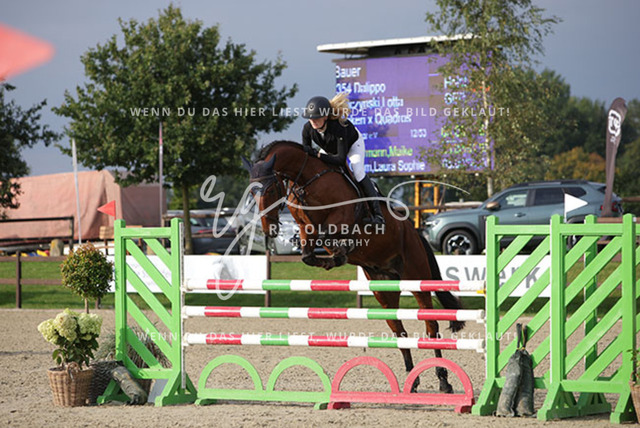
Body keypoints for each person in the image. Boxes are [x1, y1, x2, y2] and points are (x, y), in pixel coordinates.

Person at [301, 93, 385, 225]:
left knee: (357, 172)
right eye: (310, 118)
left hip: (352, 145)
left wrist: (318, 155)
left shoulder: (338, 128)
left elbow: (340, 160)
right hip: (329, 148)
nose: (313, 121)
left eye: (316, 118)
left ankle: (378, 215)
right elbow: (306, 154)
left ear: (326, 116)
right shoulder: (307, 129)